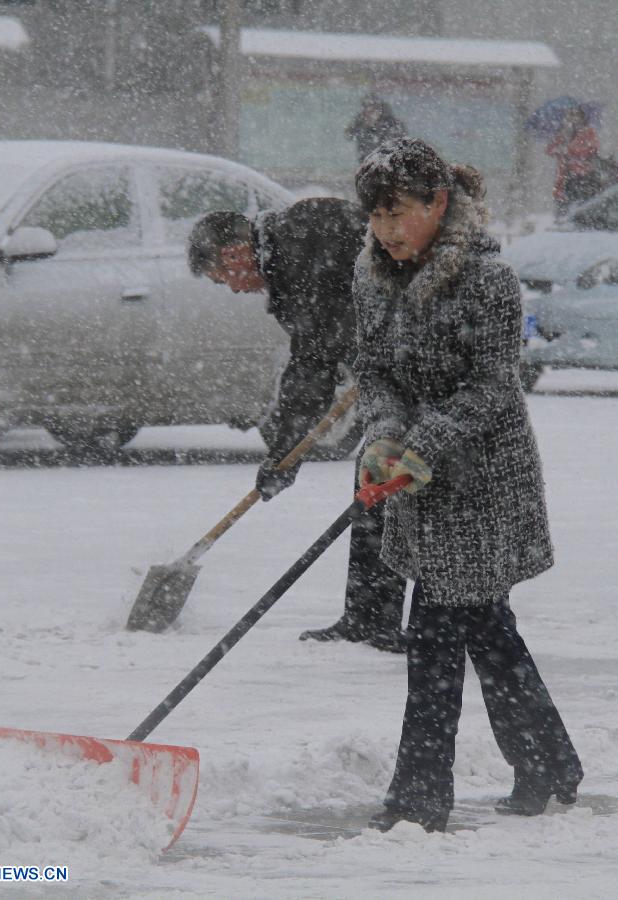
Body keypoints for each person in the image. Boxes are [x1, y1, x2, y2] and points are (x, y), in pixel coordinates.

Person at [352, 137, 583, 833]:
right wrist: (387, 436)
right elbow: (376, 373)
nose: (387, 230)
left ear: (439, 202)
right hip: (420, 486)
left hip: (483, 482)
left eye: (399, 213)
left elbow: (493, 389)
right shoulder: (372, 277)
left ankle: (419, 797)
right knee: (486, 628)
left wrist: (424, 444)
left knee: (435, 635)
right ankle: (549, 761)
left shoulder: (489, 282)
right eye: (376, 216)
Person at [188, 199, 407, 653]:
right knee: (375, 490)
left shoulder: (301, 247)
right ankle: (370, 619)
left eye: (221, 278)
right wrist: (285, 453)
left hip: (423, 370)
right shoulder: (290, 247)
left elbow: (313, 364)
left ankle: (435, 629)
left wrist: (284, 453)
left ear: (233, 254)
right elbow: (320, 352)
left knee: (395, 495)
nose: (231, 289)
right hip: (398, 373)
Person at [546, 107, 600, 218]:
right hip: (564, 175)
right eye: (571, 116)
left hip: (581, 175)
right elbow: (550, 150)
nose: (574, 119)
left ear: (582, 118)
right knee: (562, 203)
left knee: (579, 203)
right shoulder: (564, 133)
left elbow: (591, 148)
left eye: (576, 116)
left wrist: (569, 150)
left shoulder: (588, 132)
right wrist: (560, 147)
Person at [345, 93, 406, 163]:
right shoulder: (360, 120)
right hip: (365, 160)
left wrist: (373, 126)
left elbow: (396, 143)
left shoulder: (392, 123)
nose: (368, 112)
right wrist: (362, 125)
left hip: (387, 162)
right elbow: (348, 135)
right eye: (365, 108)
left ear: (379, 109)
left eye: (372, 109)